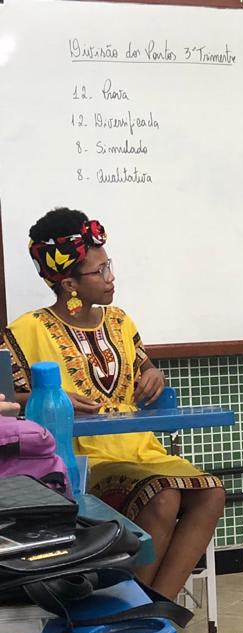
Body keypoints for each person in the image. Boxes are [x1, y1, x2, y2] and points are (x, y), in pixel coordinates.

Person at [1, 207, 225, 598]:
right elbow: (5, 403)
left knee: (211, 492)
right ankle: (130, 607)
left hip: (141, 450)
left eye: (110, 266)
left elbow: (143, 371)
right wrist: (45, 397)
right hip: (81, 460)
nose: (111, 277)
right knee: (164, 495)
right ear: (69, 282)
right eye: (100, 271)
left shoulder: (120, 322)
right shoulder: (27, 330)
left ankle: (157, 612)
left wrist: (155, 375)